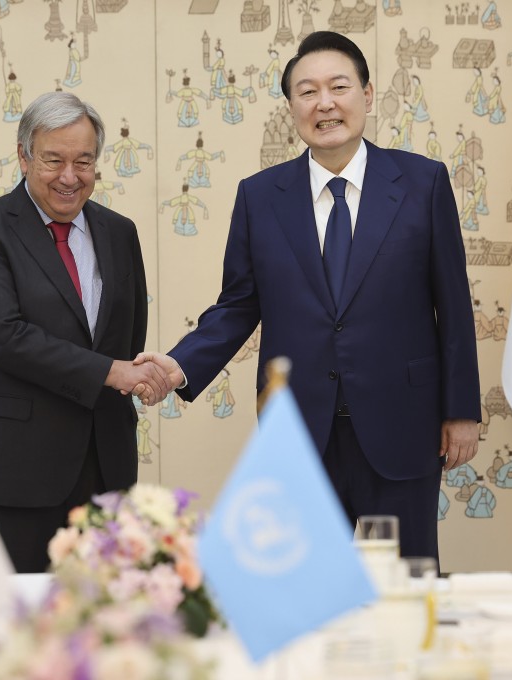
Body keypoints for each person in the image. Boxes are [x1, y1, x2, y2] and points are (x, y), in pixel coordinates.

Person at [136, 32, 480, 560]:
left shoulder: (422, 182)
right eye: (307, 92)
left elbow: (453, 307)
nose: (325, 103)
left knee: (406, 584)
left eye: (339, 87)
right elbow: (238, 304)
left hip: (403, 422)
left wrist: (461, 411)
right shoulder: (259, 196)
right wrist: (180, 365)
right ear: (292, 106)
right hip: (299, 429)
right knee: (306, 585)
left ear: (367, 95)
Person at [0, 91, 170, 572]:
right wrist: (110, 372)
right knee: (17, 609)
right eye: (54, 160)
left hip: (106, 466)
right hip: (16, 472)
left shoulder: (120, 233)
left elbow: (128, 336)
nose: (70, 177)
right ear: (24, 156)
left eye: (83, 161)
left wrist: (132, 372)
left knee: (104, 606)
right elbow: (4, 337)